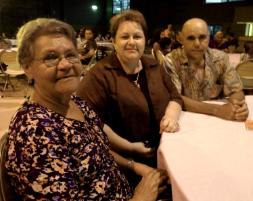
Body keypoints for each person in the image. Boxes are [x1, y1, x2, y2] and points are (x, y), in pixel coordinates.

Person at [5, 18, 168, 201]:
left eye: (71, 55)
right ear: (27, 67)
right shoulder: (34, 133)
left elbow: (98, 148)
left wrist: (134, 166)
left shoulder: (75, 102)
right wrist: (141, 196)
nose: (66, 65)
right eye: (51, 57)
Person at [76, 9, 182, 170]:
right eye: (125, 37)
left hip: (165, 150)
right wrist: (129, 147)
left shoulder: (153, 65)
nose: (132, 42)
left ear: (144, 40)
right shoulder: (98, 74)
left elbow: (176, 97)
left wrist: (171, 116)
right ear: (113, 41)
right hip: (123, 162)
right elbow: (89, 121)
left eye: (137, 36)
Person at [163, 18, 248, 121]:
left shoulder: (220, 58)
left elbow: (236, 90)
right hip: (186, 120)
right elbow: (175, 98)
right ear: (180, 39)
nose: (197, 44)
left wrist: (238, 107)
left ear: (209, 38)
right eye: (191, 38)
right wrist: (217, 110)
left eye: (202, 37)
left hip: (218, 122)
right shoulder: (171, 61)